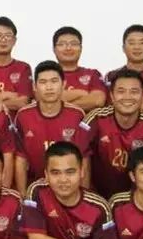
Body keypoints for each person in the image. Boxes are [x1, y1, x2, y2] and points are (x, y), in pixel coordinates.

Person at [82, 69, 143, 199]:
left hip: (135, 201)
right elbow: (82, 160)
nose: (127, 97)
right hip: (96, 197)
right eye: (121, 91)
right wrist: (86, 201)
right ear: (112, 96)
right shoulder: (95, 119)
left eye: (134, 92)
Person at [14, 60, 89, 195]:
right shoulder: (23, 115)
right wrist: (22, 195)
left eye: (54, 81)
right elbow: (20, 159)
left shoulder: (77, 115)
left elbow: (84, 158)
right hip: (34, 190)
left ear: (63, 84)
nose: (49, 87)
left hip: (69, 189)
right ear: (35, 87)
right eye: (43, 82)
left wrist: (84, 195)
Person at [0, 16, 32, 111]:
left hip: (14, 120)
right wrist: (9, 95)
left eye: (8, 35)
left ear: (14, 40)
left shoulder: (23, 68)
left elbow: (23, 102)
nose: (3, 39)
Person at [51, 26, 107, 112]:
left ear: (81, 48)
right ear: (54, 49)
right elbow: (43, 99)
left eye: (74, 44)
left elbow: (97, 100)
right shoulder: (46, 74)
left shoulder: (93, 74)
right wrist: (82, 93)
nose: (68, 48)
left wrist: (59, 105)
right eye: (62, 44)